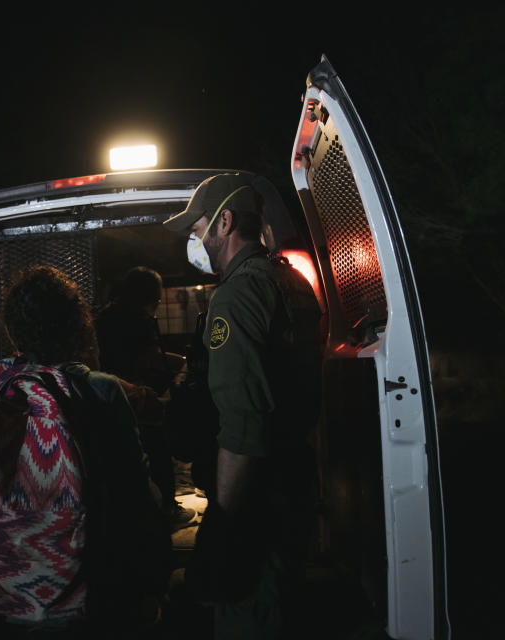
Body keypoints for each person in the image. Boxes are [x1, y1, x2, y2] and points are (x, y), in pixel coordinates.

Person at [0, 266, 170, 639]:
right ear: (77, 326)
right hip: (81, 578)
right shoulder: (102, 390)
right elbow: (137, 489)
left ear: (10, 330)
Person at [163, 173, 323, 639]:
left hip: (256, 497)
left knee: (248, 615)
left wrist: (222, 528)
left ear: (224, 222)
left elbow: (243, 425)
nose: (195, 241)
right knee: (281, 602)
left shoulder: (236, 297)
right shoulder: (291, 281)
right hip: (293, 478)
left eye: (197, 230)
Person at [95, 266, 193, 528]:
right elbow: (151, 358)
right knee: (157, 449)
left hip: (107, 394)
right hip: (135, 394)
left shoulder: (105, 315)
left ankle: (136, 514)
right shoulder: (139, 319)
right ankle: (167, 510)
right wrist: (185, 364)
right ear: (151, 296)